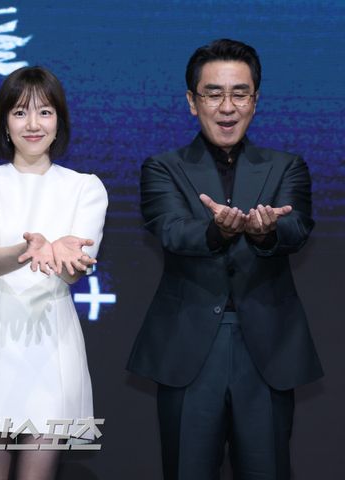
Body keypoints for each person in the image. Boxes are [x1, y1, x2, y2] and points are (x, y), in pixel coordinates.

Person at [127, 38, 323, 479]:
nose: (227, 107)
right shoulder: (163, 167)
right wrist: (219, 230)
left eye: (240, 93)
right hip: (189, 347)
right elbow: (170, 230)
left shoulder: (286, 166)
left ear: (256, 100)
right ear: (192, 102)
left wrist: (266, 230)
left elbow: (297, 227)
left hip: (267, 347)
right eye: (213, 93)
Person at [0, 66, 108, 479]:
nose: (33, 124)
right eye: (20, 112)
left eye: (44, 112)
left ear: (59, 121)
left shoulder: (85, 188)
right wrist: (27, 250)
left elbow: (73, 272)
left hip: (52, 338)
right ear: (4, 124)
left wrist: (62, 258)